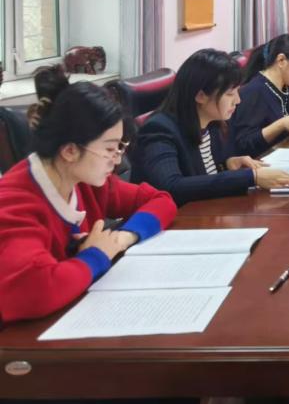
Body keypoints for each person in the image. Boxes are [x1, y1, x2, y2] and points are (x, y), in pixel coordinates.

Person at [0, 68, 176, 323]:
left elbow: (160, 200)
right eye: (109, 149)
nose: (117, 160)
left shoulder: (84, 180)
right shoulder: (15, 202)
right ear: (70, 150)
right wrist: (97, 255)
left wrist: (122, 238)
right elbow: (34, 291)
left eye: (120, 148)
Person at [134, 49, 289, 205]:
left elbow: (201, 176)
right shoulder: (159, 129)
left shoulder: (212, 123)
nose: (237, 100)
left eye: (237, 92)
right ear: (201, 96)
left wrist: (227, 165)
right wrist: (251, 177)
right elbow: (171, 186)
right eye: (230, 94)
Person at [232, 34, 289, 157]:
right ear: (281, 60)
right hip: (261, 162)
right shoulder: (253, 91)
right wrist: (281, 124)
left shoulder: (286, 86)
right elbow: (244, 144)